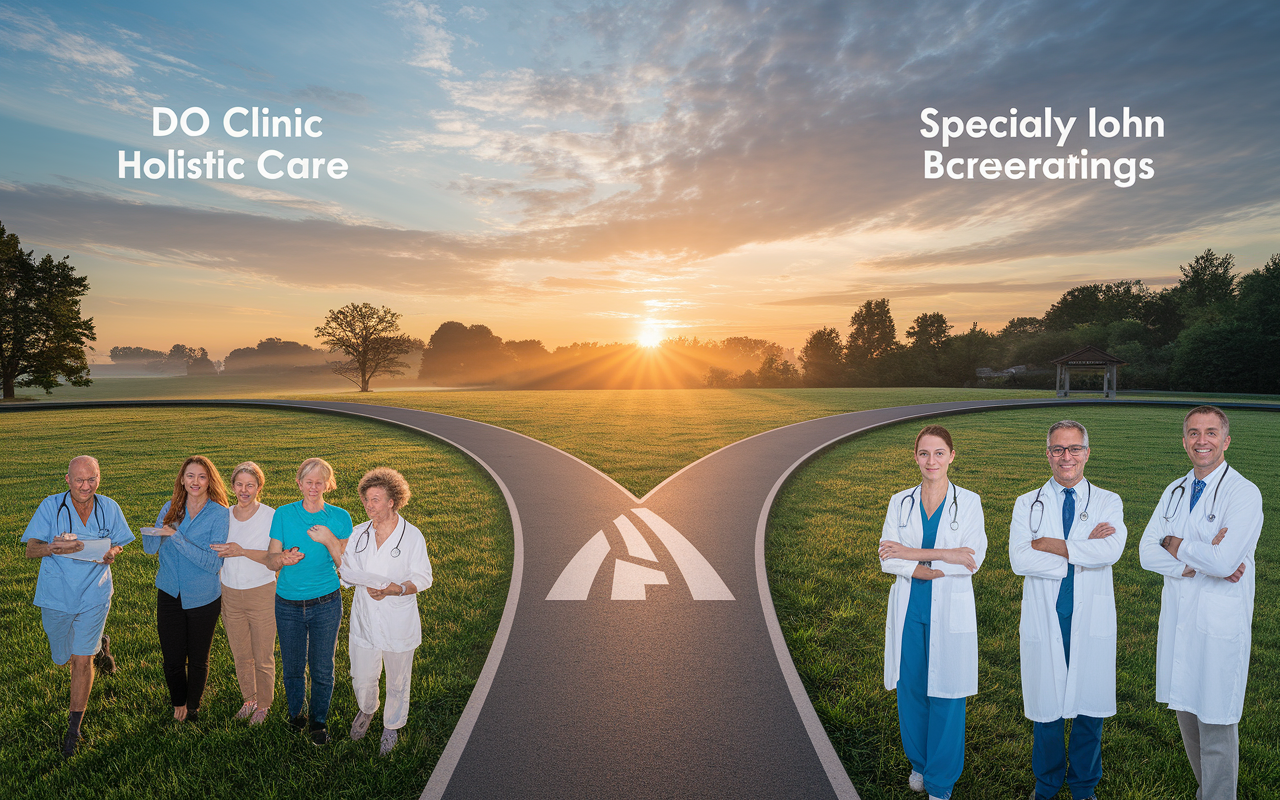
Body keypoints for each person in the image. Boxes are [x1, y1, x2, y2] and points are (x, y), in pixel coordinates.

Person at [1139, 406, 1262, 800]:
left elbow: (1226, 562)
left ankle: (1219, 796)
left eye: (1211, 432)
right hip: (1180, 617)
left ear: (1225, 441)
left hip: (1218, 622)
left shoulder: (1242, 493)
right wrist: (1197, 560)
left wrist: (1174, 545)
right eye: (1194, 433)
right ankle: (1203, 791)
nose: (1201, 440)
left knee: (1216, 721)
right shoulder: (1174, 490)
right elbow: (1145, 552)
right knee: (1187, 715)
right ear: (1184, 441)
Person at [1009, 420, 1126, 800]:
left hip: (1089, 615)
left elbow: (1110, 552)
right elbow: (1019, 558)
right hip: (1047, 616)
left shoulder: (1108, 500)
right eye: (1058, 449)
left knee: (1090, 706)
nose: (1066, 457)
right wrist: (1078, 551)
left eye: (1074, 448)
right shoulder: (1027, 502)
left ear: (1087, 453)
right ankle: (1046, 784)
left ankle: (1083, 786)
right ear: (1048, 455)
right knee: (1046, 706)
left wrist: (1050, 544)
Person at [878, 425, 987, 800]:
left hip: (949, 609)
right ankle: (920, 763)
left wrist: (910, 555)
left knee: (947, 692)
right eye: (924, 453)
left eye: (939, 453)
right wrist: (931, 560)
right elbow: (886, 556)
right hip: (909, 609)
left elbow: (971, 559)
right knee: (911, 689)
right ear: (915, 457)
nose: (931, 461)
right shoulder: (900, 502)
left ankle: (940, 782)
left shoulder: (969, 502)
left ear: (952, 456)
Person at [21, 456, 134, 757]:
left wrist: (112, 551)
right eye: (80, 480)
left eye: (92, 479)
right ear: (67, 480)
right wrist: (53, 548)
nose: (86, 486)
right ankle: (100, 646)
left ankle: (74, 730)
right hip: (57, 595)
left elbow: (120, 542)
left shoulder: (109, 506)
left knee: (78, 662)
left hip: (95, 594)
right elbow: (31, 550)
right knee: (62, 658)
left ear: (99, 477)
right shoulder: (51, 506)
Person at [342, 467, 433, 756]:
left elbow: (424, 577)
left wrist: (396, 588)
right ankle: (367, 710)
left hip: (398, 619)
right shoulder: (358, 533)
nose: (369, 506)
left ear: (392, 501)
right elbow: (346, 574)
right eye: (366, 500)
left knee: (397, 679)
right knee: (362, 676)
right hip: (365, 619)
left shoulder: (412, 536)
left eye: (376, 499)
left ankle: (391, 726)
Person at [266, 457, 353, 745]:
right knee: (292, 666)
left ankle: (318, 721)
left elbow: (346, 568)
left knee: (322, 667)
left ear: (328, 484)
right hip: (287, 603)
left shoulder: (340, 518)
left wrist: (329, 539)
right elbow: (270, 560)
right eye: (308, 481)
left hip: (326, 603)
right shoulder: (283, 514)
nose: (314, 487)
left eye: (320, 482)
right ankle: (295, 715)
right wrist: (282, 559)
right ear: (299, 483)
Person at [143, 455, 230, 723]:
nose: (195, 481)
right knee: (172, 657)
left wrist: (176, 537)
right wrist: (152, 533)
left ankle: (193, 706)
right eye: (190, 476)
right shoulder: (170, 508)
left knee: (199, 658)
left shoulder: (219, 514)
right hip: (169, 592)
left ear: (209, 481)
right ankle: (177, 702)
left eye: (201, 477)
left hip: (204, 596)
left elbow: (211, 563)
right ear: (182, 479)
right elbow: (149, 550)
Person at [210, 461, 288, 725]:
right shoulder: (223, 515)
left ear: (259, 487)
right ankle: (249, 698)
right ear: (233, 486)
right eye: (240, 484)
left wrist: (241, 550)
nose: (244, 490)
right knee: (242, 653)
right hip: (230, 593)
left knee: (263, 654)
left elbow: (274, 559)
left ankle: (264, 705)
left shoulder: (271, 516)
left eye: (250, 485)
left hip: (262, 592)